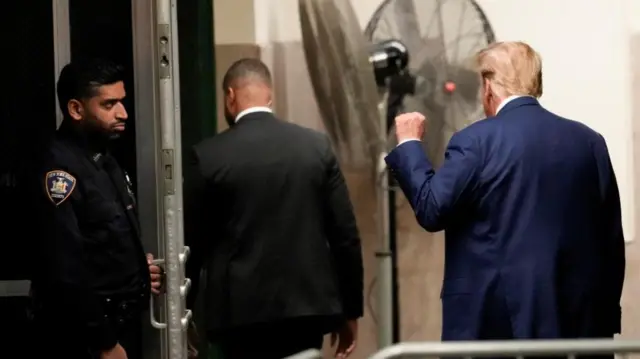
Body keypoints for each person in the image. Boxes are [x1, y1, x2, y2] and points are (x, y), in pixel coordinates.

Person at [386, 42, 625, 342]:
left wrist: (409, 145)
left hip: (492, 327)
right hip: (578, 327)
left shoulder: (476, 141)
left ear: (488, 87)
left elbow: (432, 208)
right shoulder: (590, 142)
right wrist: (606, 318)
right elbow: (611, 241)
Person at [184, 58, 364, 359]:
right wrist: (350, 311)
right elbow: (345, 235)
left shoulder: (208, 157)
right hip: (306, 309)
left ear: (230, 96)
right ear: (270, 95)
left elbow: (193, 243)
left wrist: (186, 312)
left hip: (238, 316)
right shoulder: (315, 148)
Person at [29, 59, 164, 359]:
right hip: (85, 338)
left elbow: (103, 238)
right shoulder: (59, 170)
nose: (123, 113)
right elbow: (65, 269)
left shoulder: (103, 159)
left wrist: (138, 270)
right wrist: (104, 343)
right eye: (109, 104)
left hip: (121, 325)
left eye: (122, 101)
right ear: (76, 109)